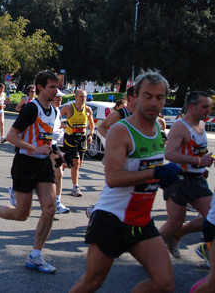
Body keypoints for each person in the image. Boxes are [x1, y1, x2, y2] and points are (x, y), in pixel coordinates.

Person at [69, 71, 181, 293]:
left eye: (159, 97)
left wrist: (167, 178)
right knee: (92, 282)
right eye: (147, 96)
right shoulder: (122, 130)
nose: (153, 102)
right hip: (113, 219)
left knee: (164, 283)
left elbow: (149, 174)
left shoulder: (158, 128)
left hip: (141, 220)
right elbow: (113, 178)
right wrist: (155, 174)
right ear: (135, 97)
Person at [0, 71, 63, 274]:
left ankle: (35, 255)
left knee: (49, 209)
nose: (56, 91)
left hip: (43, 165)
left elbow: (48, 139)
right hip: (25, 163)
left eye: (57, 87)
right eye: (52, 87)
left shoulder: (54, 111)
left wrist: (58, 152)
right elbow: (11, 136)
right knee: (22, 214)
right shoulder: (31, 109)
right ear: (40, 88)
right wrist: (34, 148)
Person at [159, 91, 213, 259]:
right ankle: (154, 254)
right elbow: (170, 154)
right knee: (174, 222)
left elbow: (196, 151)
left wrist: (202, 165)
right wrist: (198, 161)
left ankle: (177, 236)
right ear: (191, 107)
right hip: (179, 180)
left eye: (209, 107)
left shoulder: (202, 125)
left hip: (197, 179)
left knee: (211, 217)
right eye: (204, 107)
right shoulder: (180, 127)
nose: (208, 111)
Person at [60, 89, 95, 197]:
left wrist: (90, 135)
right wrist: (62, 125)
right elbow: (56, 117)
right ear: (76, 97)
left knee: (78, 164)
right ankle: (75, 187)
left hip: (82, 139)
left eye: (85, 96)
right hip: (71, 138)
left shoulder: (88, 110)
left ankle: (61, 166)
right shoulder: (69, 108)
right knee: (76, 162)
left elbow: (92, 124)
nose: (83, 98)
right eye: (81, 96)